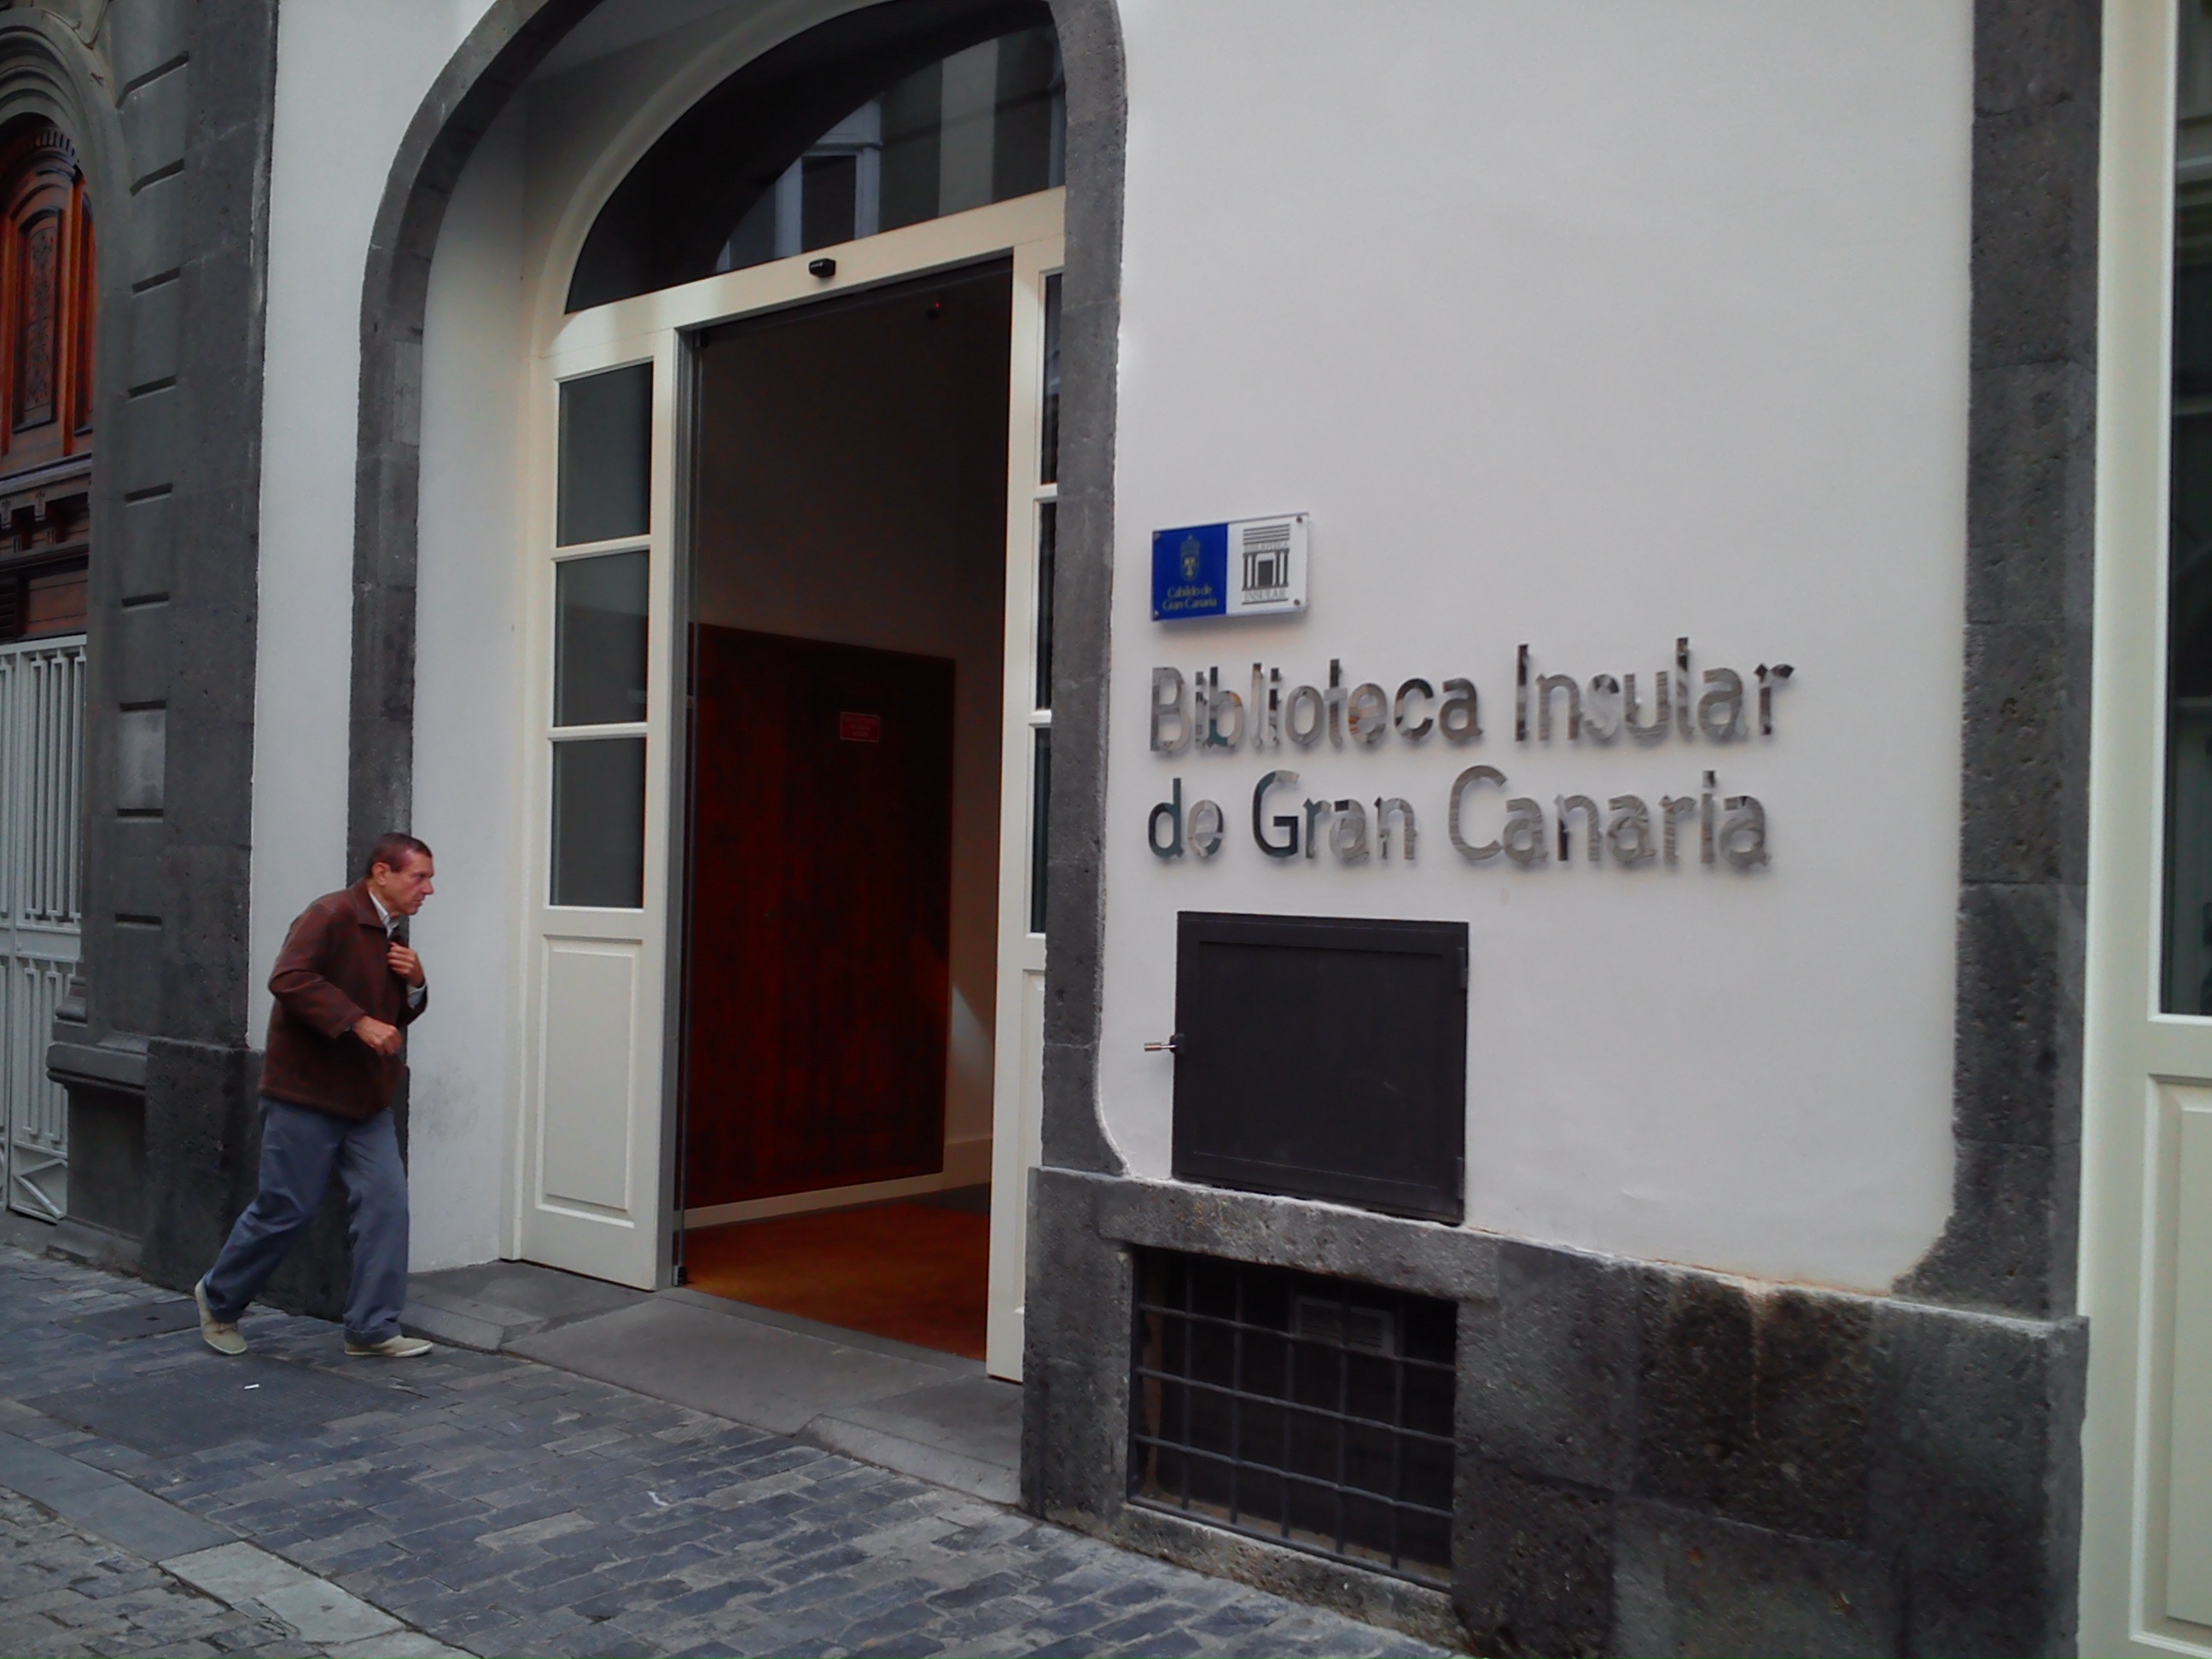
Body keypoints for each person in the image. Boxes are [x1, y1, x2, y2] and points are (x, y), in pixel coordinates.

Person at [194, 833, 439, 1358]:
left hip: (366, 1101)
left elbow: (394, 1014)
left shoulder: (392, 931)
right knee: (286, 1209)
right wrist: (358, 1023)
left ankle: (371, 1329)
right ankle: (219, 1298)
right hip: (305, 1095)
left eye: (428, 878)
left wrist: (417, 983)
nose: (429, 889)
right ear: (381, 873)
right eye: (419, 877)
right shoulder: (329, 914)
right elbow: (289, 978)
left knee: (386, 1207)